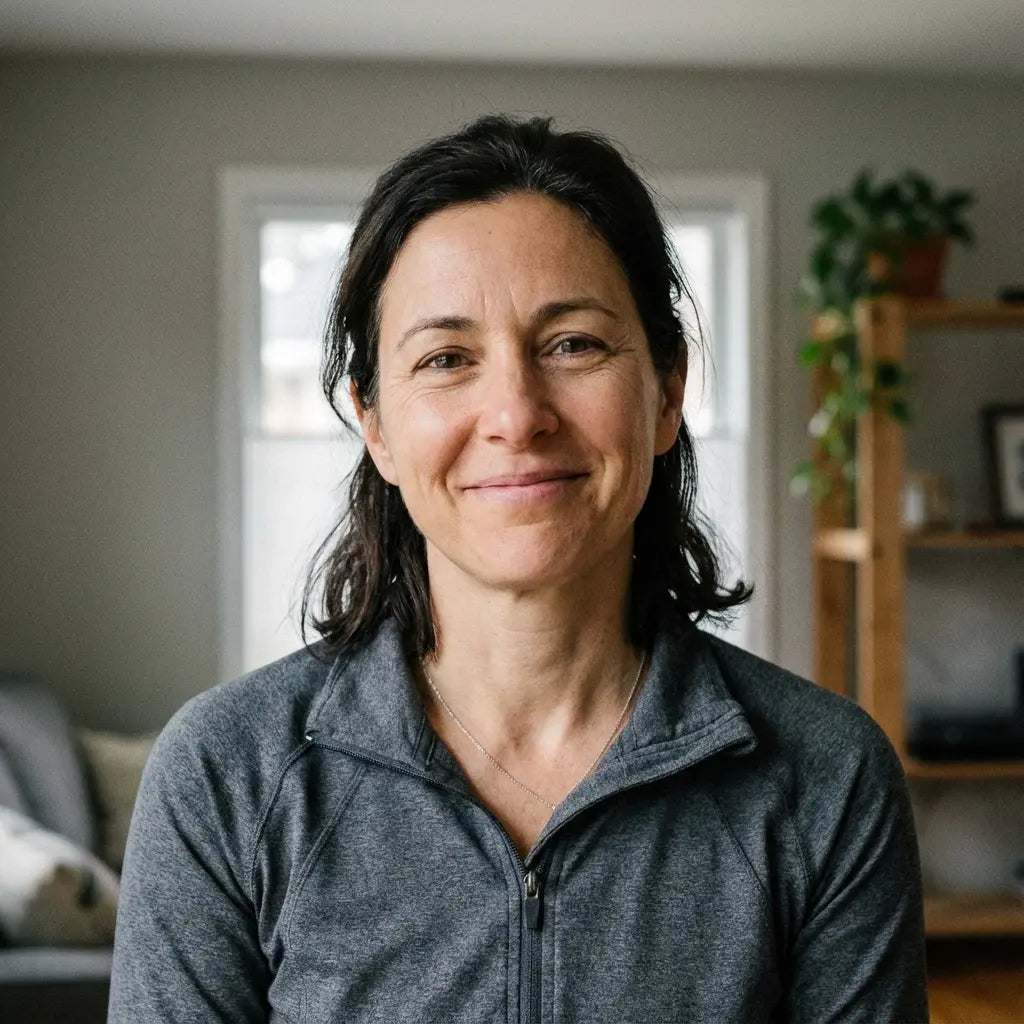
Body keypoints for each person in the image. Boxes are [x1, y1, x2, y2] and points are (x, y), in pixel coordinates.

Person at [109, 115, 928, 1023]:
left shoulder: (826, 777)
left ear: (667, 391)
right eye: (446, 359)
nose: (516, 414)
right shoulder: (224, 773)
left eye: (573, 344)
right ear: (375, 426)